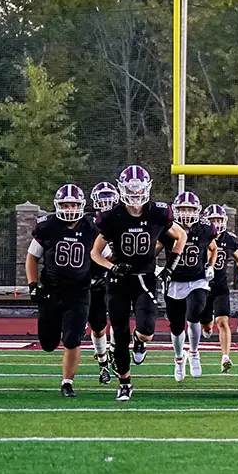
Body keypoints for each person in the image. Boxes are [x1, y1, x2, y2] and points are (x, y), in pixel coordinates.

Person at [91, 165, 188, 401]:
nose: (135, 196)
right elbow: (95, 253)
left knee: (147, 328)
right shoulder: (111, 216)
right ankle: (125, 382)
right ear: (122, 189)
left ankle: (140, 342)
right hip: (119, 280)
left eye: (138, 190)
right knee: (120, 333)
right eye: (130, 191)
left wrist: (170, 267)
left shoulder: (158, 213)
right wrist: (112, 266)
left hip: (145, 277)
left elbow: (180, 236)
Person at [27, 184, 99, 397]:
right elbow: (32, 257)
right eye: (65, 204)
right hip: (51, 291)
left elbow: (106, 255)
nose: (69, 209)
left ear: (82, 205)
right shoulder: (47, 226)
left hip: (79, 292)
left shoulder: (92, 228)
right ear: (57, 206)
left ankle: (67, 382)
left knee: (72, 338)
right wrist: (33, 285)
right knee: (48, 343)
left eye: (73, 204)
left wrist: (101, 275)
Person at [164, 192, 218, 383]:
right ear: (176, 210)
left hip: (197, 280)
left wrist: (210, 265)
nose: (186, 213)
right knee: (177, 327)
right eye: (182, 209)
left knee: (194, 313)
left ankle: (194, 352)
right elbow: (153, 248)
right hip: (175, 281)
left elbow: (213, 248)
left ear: (197, 211)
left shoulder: (205, 229)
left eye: (190, 209)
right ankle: (179, 358)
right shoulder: (168, 228)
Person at [201, 204, 238, 373]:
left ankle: (225, 357)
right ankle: (206, 327)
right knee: (206, 326)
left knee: (222, 321)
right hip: (201, 286)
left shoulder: (230, 240)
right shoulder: (201, 235)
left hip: (220, 286)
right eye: (213, 220)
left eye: (219, 220)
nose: (216, 223)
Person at [86, 182, 119, 383]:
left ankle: (115, 353)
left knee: (118, 318)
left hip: (118, 275)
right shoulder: (90, 223)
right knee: (98, 326)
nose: (106, 204)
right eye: (102, 199)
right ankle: (102, 362)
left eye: (109, 199)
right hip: (96, 276)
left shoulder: (122, 218)